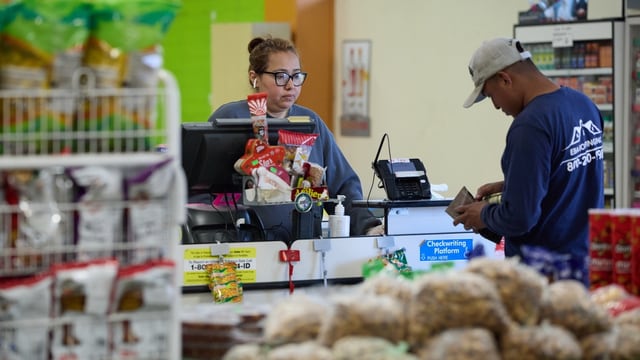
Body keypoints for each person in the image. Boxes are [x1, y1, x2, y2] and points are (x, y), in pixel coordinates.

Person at [454, 37, 604, 286]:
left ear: (505, 78)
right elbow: (568, 172)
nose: (495, 106)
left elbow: (520, 218)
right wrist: (512, 182)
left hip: (543, 279)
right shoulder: (584, 105)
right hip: (584, 268)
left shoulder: (530, 125)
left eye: (491, 95)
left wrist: (483, 214)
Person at [206, 36, 383, 242]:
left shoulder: (310, 122)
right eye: (280, 76)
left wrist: (369, 227)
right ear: (254, 77)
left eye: (296, 76)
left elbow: (343, 186)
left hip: (305, 246)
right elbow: (202, 191)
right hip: (242, 248)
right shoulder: (230, 118)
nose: (291, 85)